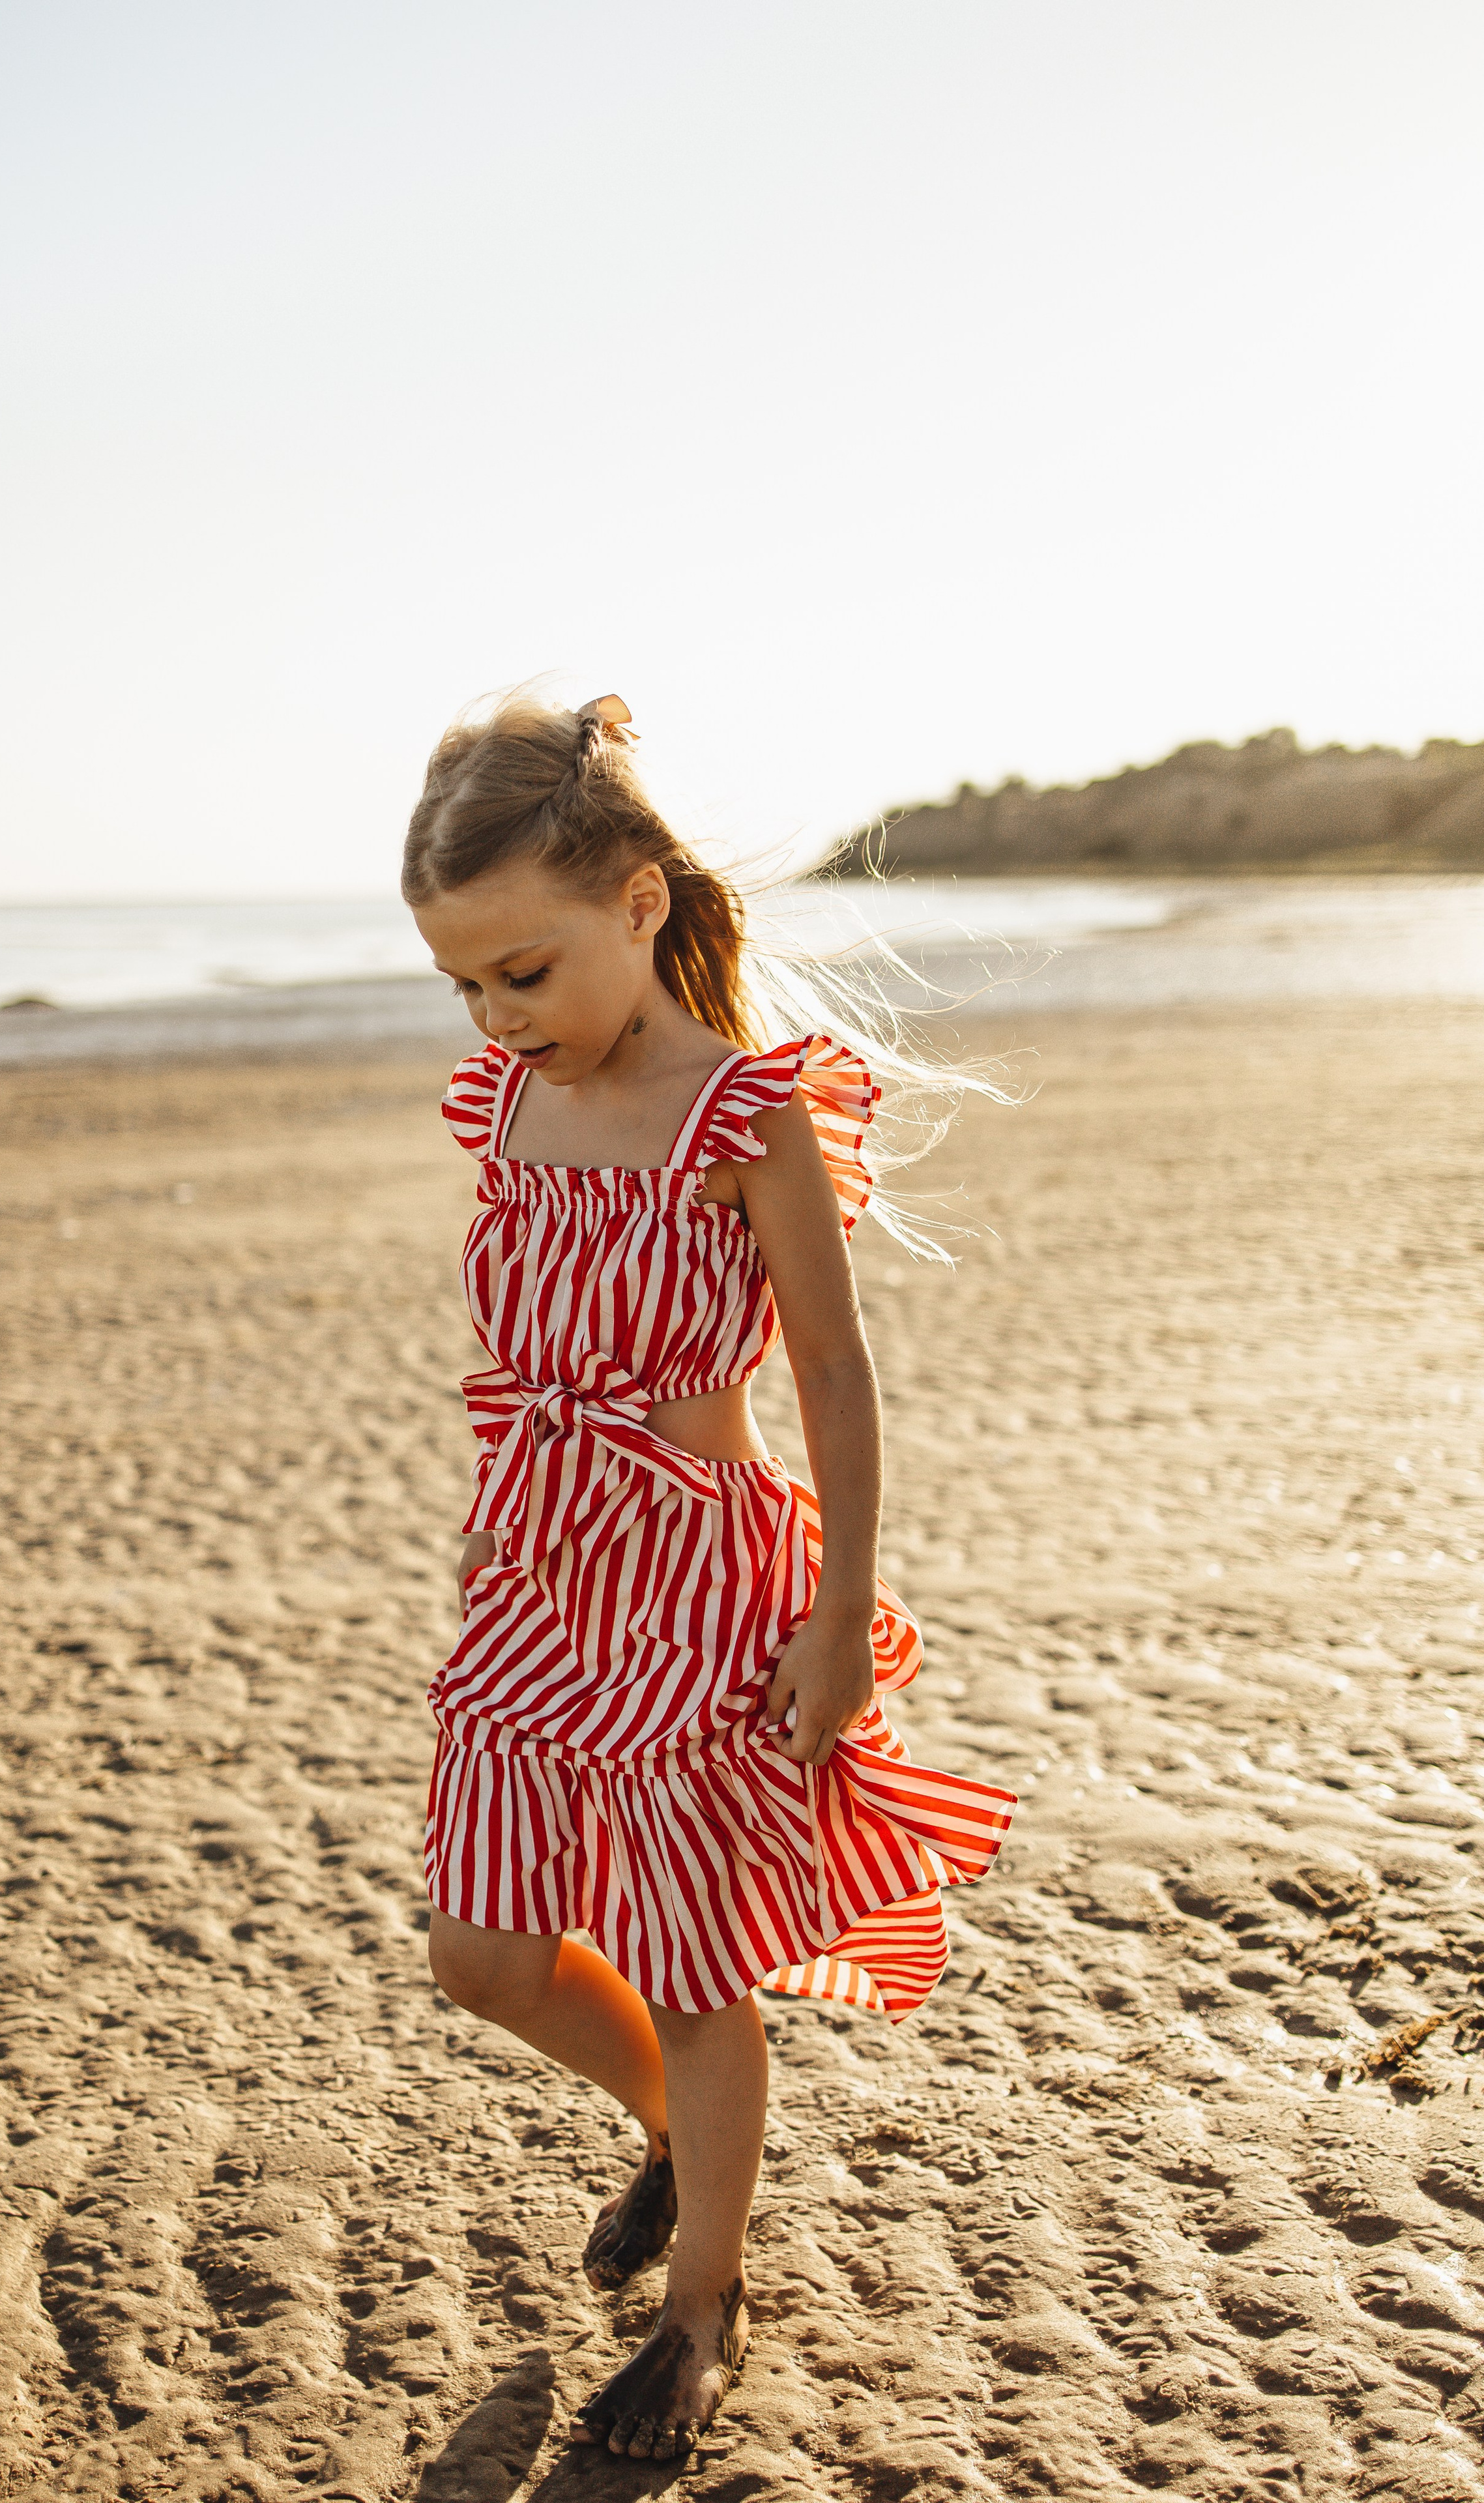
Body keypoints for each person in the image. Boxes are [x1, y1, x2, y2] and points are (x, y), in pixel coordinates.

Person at [400, 691, 1017, 2463]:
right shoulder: (506, 1105)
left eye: (525, 971)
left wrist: (840, 1621)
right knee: (484, 1953)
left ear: (640, 904)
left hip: (700, 1587)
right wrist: (503, 1516)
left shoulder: (747, 1116)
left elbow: (834, 1374)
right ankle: (677, 2131)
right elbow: (529, 1352)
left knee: (691, 1967)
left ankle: (703, 2311)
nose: (499, 1016)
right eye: (464, 986)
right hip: (540, 1579)